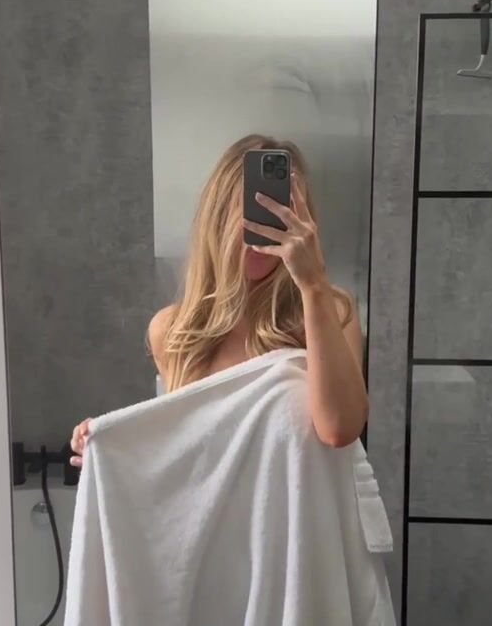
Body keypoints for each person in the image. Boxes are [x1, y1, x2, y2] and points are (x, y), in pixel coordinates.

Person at [71, 134, 368, 465]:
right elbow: (185, 459)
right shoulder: (173, 331)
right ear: (217, 217)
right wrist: (113, 449)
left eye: (281, 216)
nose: (265, 231)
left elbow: (339, 429)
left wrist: (313, 284)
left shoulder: (332, 312)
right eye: (254, 213)